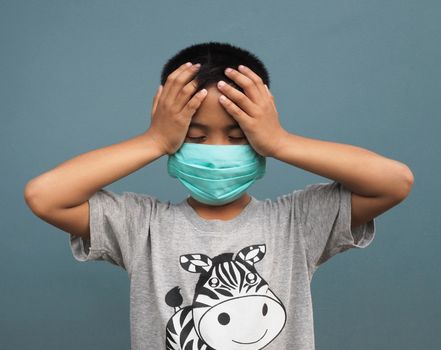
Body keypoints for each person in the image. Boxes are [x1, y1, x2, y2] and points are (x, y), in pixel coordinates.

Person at [24, 41, 414, 350]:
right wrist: (153, 139)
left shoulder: (296, 222)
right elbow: (45, 195)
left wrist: (281, 142)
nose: (217, 150)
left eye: (237, 136)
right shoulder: (141, 226)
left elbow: (394, 181)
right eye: (195, 137)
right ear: (174, 142)